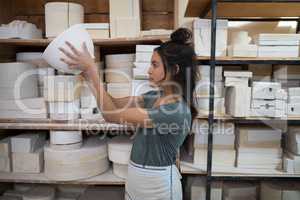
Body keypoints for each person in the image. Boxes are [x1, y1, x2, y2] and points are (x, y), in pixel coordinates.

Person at [59, 28, 197, 200]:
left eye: (154, 65)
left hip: (159, 184)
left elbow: (110, 115)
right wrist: (88, 76)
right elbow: (114, 103)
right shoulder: (154, 96)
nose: (148, 70)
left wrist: (93, 71)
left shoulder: (175, 111)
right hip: (135, 177)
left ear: (174, 69)